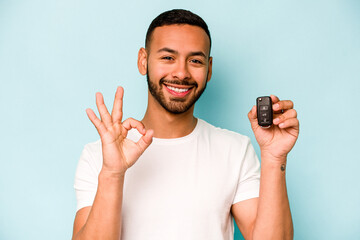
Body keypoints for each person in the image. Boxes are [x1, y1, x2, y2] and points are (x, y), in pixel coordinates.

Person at [72, 9, 299, 240]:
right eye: (168, 57)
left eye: (195, 61)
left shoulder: (235, 150)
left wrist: (274, 158)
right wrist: (112, 173)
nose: (181, 73)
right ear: (143, 61)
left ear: (209, 69)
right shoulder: (98, 156)